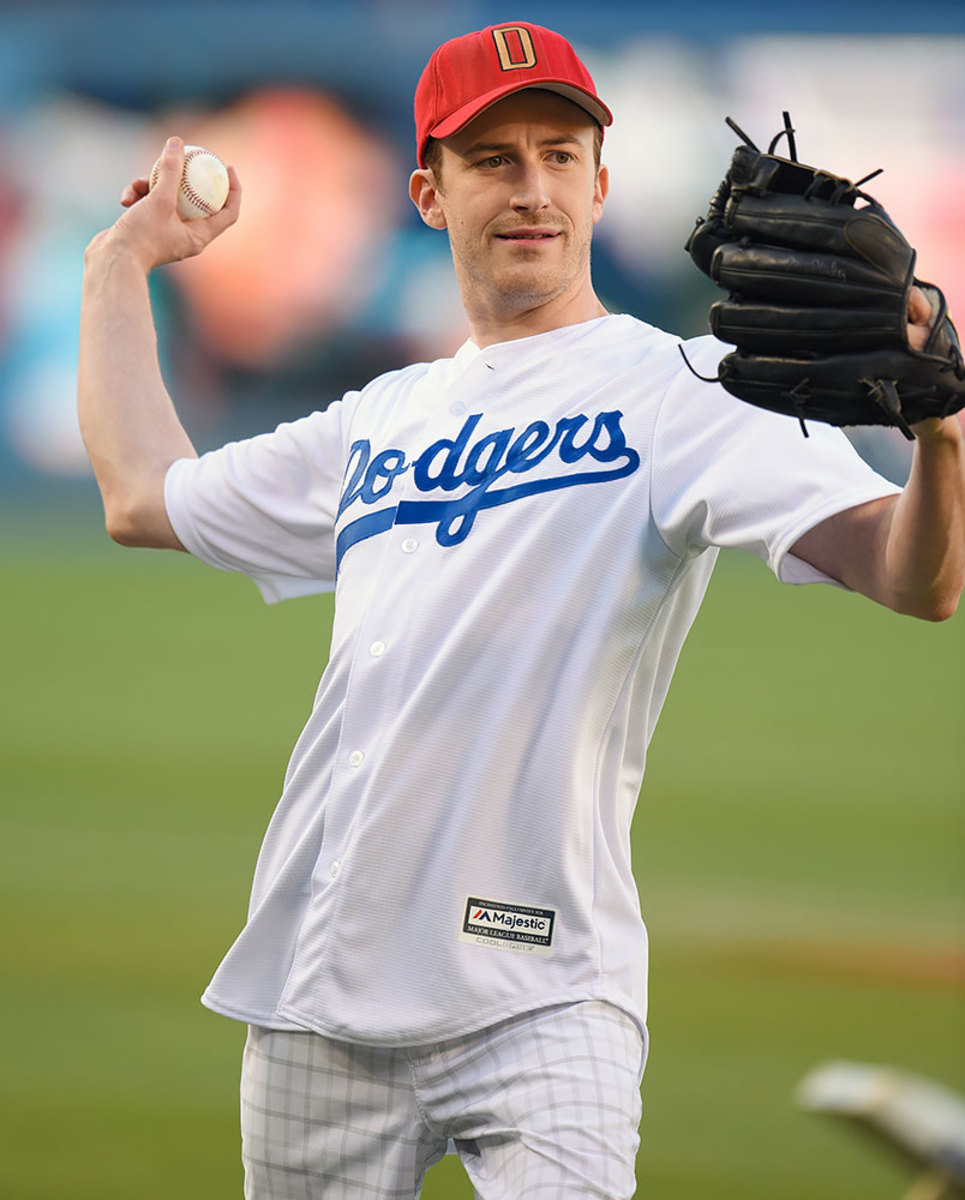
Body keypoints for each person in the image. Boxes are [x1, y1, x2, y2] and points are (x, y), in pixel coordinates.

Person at [77, 20, 964, 1200]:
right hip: (312, 994)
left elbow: (915, 581)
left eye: (557, 153)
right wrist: (118, 265)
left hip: (547, 993)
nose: (531, 187)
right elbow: (143, 496)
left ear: (599, 184)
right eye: (492, 159)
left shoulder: (686, 390)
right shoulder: (377, 418)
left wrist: (943, 440)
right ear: (428, 193)